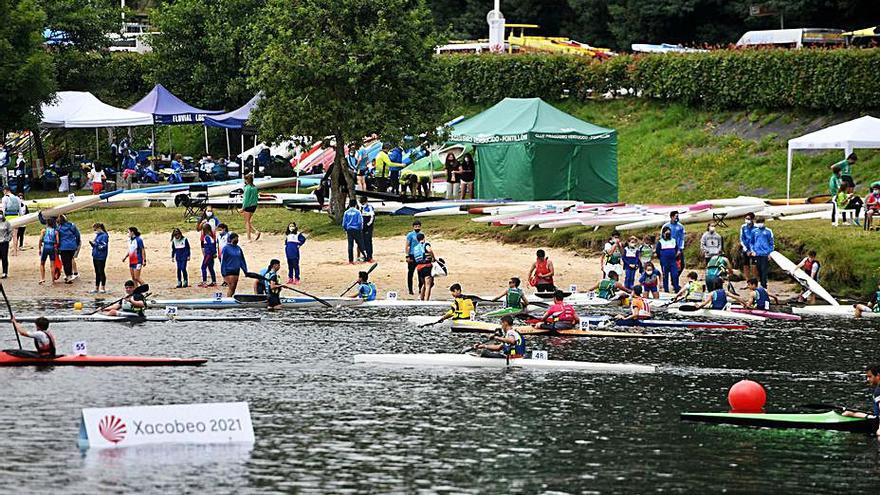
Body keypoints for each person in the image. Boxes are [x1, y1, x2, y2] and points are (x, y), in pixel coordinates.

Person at [840, 364, 880, 437]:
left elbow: (877, 418)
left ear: (878, 375)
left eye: (870, 376)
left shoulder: (878, 391)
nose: (867, 379)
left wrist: (853, 414)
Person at [749, 217, 774, 289]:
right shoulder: (754, 231)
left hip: (765, 254)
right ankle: (760, 284)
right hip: (757, 253)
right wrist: (753, 251)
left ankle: (764, 285)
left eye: (761, 222)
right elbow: (752, 242)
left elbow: (771, 243)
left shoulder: (768, 231)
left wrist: (770, 253)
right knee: (758, 269)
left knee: (764, 270)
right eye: (758, 222)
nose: (760, 224)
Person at [656, 226, 680, 293]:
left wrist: (676, 255)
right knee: (665, 275)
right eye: (666, 233)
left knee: (675, 274)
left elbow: (677, 250)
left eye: (669, 233)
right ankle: (666, 289)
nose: (668, 234)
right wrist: (661, 258)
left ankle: (676, 288)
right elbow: (658, 252)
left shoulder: (673, 240)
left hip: (673, 261)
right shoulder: (660, 242)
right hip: (664, 261)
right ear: (663, 233)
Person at [57, 215, 81, 284]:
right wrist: (76, 243)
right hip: (72, 246)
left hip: (63, 247)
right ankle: (70, 275)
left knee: (65, 262)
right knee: (70, 261)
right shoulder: (72, 225)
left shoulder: (59, 228)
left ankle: (68, 276)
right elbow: (77, 235)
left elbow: (57, 237)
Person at [413, 233, 436, 300]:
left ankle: (421, 298)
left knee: (424, 284)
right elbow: (429, 250)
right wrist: (433, 257)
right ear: (423, 238)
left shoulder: (416, 247)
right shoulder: (425, 244)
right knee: (428, 284)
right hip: (427, 266)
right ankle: (426, 300)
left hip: (419, 268)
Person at [342, 199, 364, 264]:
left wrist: (346, 229)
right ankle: (364, 257)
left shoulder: (346, 212)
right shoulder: (358, 212)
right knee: (360, 244)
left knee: (350, 245)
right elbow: (360, 222)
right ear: (355, 205)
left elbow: (344, 223)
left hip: (349, 230)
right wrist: (360, 228)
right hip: (357, 229)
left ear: (349, 204)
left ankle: (350, 260)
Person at [240, 174, 261, 241]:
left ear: (246, 180)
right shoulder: (254, 187)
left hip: (248, 206)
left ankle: (249, 238)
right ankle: (255, 232)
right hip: (254, 206)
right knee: (248, 221)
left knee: (247, 222)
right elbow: (256, 197)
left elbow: (245, 199)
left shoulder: (247, 188)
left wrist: (243, 208)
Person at [89, 223, 109, 294]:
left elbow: (103, 246)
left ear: (99, 228)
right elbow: (96, 244)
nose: (95, 231)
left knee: (101, 271)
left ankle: (103, 287)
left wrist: (95, 244)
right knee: (97, 272)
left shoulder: (104, 236)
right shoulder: (98, 235)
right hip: (95, 255)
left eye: (95, 229)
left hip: (101, 256)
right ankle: (96, 288)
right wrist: (92, 244)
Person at [38, 217, 59, 285]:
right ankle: (53, 280)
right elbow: (58, 241)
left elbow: (40, 239)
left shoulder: (44, 230)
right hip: (52, 247)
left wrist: (39, 248)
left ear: (47, 224)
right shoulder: (55, 232)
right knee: (52, 264)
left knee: (42, 263)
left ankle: (42, 278)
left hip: (45, 247)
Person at [405, 221, 422, 295]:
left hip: (420, 255)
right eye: (416, 226)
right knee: (410, 273)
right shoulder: (410, 235)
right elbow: (407, 245)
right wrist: (407, 255)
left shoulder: (422, 234)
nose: (417, 228)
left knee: (420, 273)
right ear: (413, 227)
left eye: (418, 226)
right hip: (412, 255)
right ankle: (410, 289)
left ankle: (421, 289)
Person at [739, 213, 756, 286]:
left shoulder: (756, 228)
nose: (747, 220)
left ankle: (755, 282)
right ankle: (748, 282)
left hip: (754, 249)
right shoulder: (743, 227)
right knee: (746, 265)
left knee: (754, 266)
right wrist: (746, 250)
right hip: (746, 249)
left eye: (748, 219)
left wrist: (752, 250)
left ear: (752, 219)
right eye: (746, 218)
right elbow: (742, 239)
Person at [198, 223, 217, 287]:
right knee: (211, 268)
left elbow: (211, 246)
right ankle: (214, 281)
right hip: (211, 254)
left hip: (208, 254)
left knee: (203, 267)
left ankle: (204, 282)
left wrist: (213, 253)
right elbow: (214, 246)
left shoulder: (207, 237)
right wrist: (214, 253)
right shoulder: (211, 237)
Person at [359, 196, 375, 262]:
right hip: (362, 226)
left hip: (368, 227)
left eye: (363, 203)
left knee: (368, 241)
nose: (363, 204)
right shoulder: (360, 208)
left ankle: (370, 256)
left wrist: (368, 225)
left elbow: (372, 217)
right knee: (363, 242)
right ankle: (364, 256)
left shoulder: (370, 207)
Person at [0, 213, 10, 278]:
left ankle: (5, 272)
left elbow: (10, 231)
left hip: (4, 242)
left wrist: (8, 239)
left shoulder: (6, 223)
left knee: (4, 257)